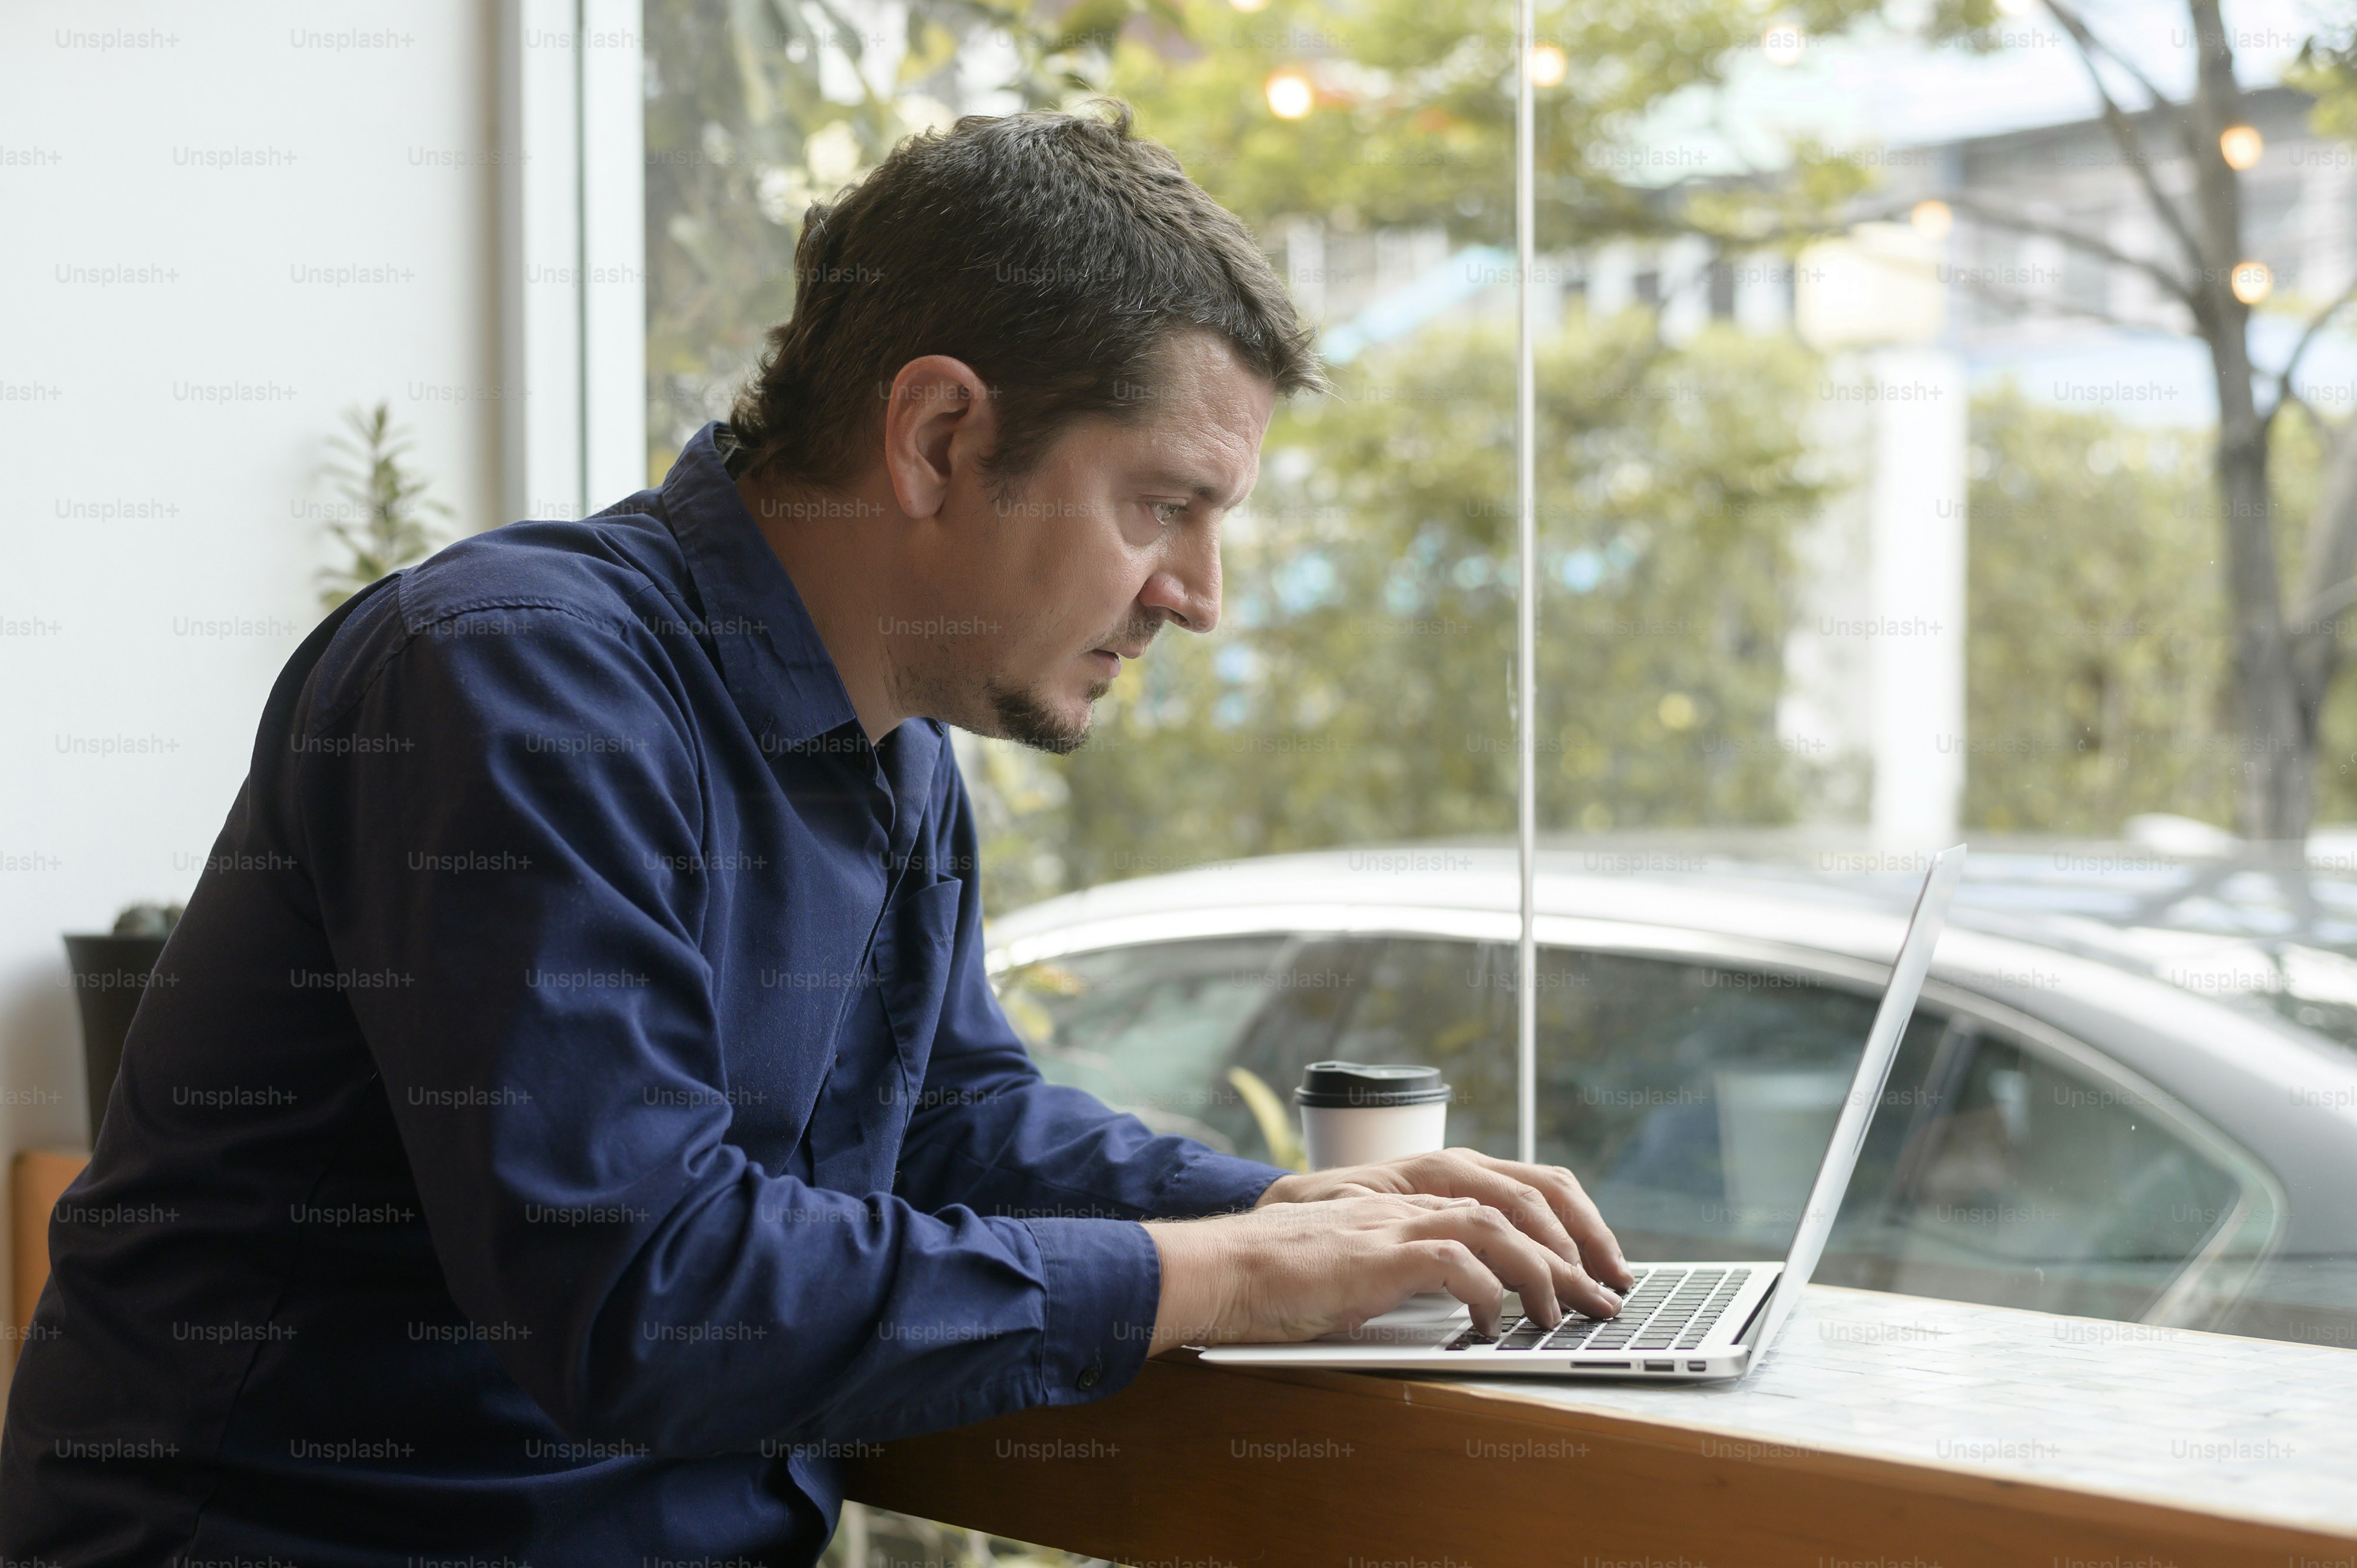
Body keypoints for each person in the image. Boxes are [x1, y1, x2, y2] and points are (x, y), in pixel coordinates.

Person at [0, 103, 1628, 1566]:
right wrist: (1222, 1281)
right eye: (1160, 505)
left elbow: (946, 1125)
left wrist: (1305, 1221)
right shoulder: (513, 677)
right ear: (936, 439)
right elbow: (648, 1294)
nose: (1199, 598)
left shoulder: (897, 752)